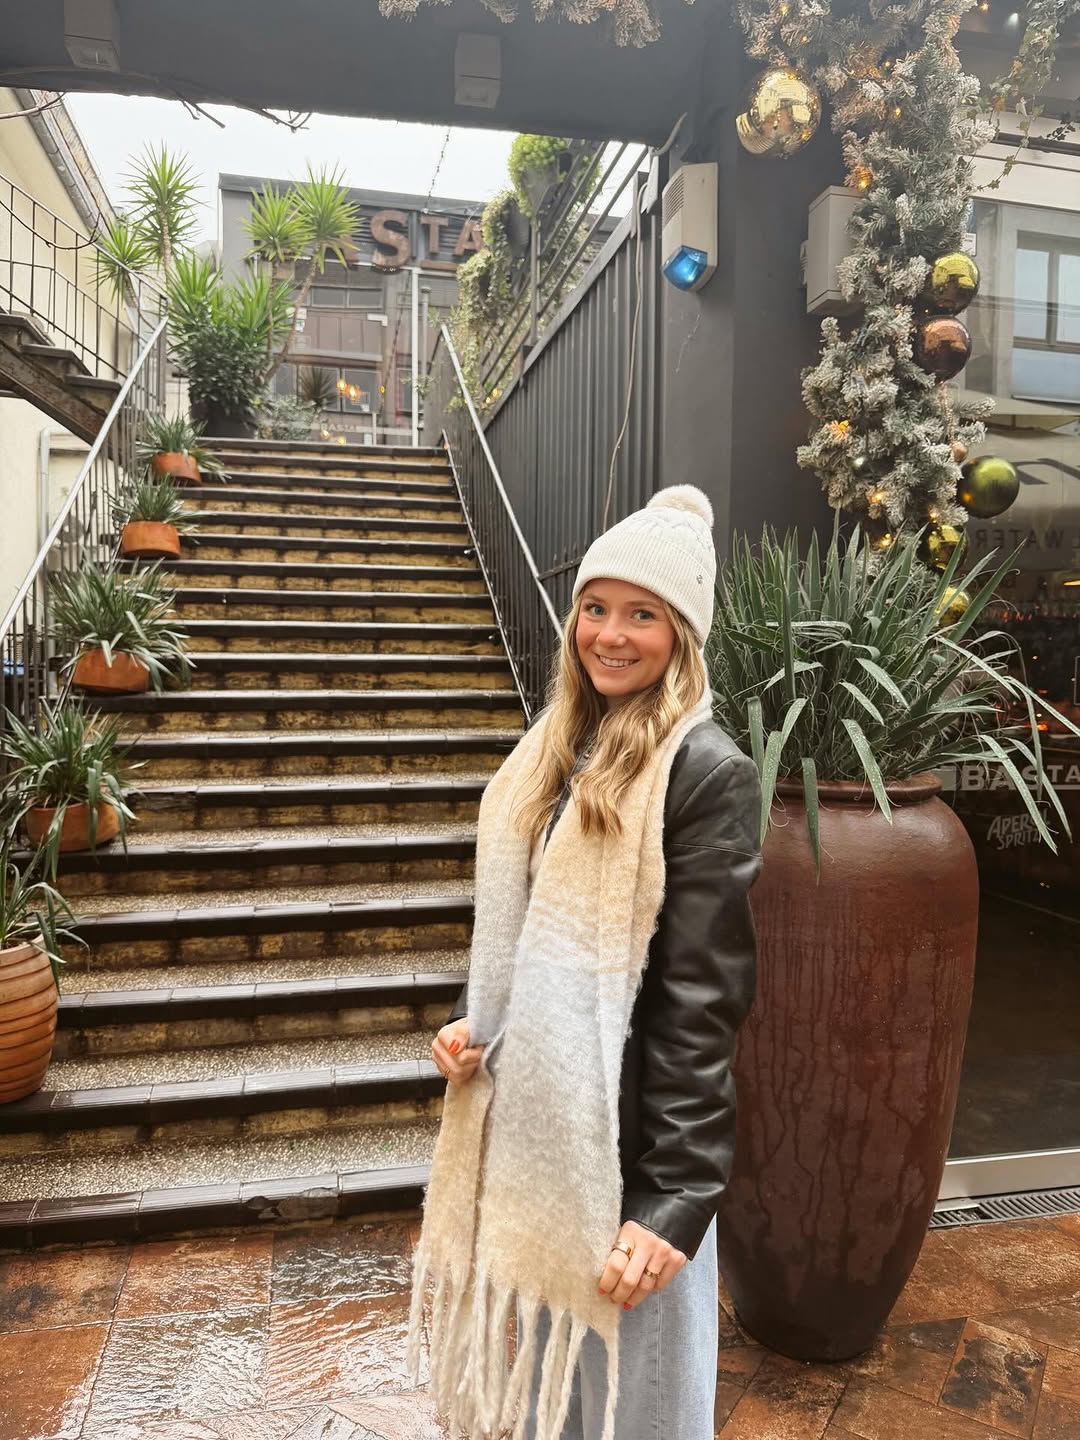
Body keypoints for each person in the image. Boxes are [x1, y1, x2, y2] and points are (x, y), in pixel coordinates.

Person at [405, 485, 762, 1440]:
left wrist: (674, 1199)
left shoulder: (705, 772)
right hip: (551, 1148)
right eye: (595, 607)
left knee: (637, 1409)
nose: (610, 634)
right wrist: (482, 1025)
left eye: (642, 614)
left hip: (632, 1157)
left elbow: (701, 1004)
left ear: (681, 633)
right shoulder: (558, 749)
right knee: (564, 1404)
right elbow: (531, 940)